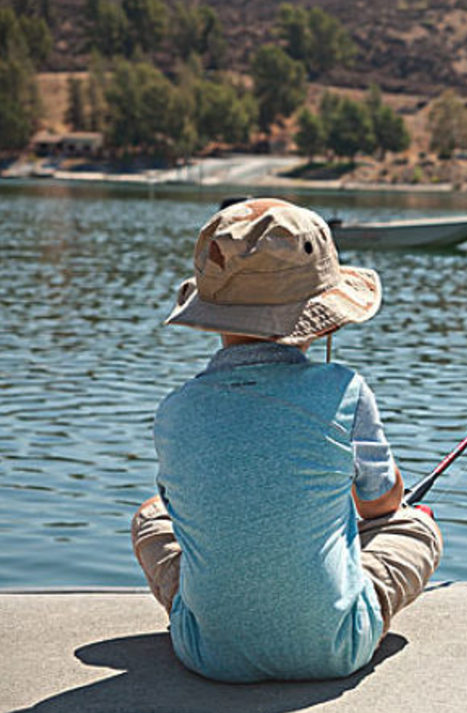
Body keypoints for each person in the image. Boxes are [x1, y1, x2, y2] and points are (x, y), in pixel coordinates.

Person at [130, 198, 442, 682]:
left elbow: (182, 511)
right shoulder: (345, 389)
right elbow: (381, 507)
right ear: (326, 318)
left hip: (206, 655)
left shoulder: (175, 409)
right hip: (338, 650)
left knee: (151, 517)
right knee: (418, 527)